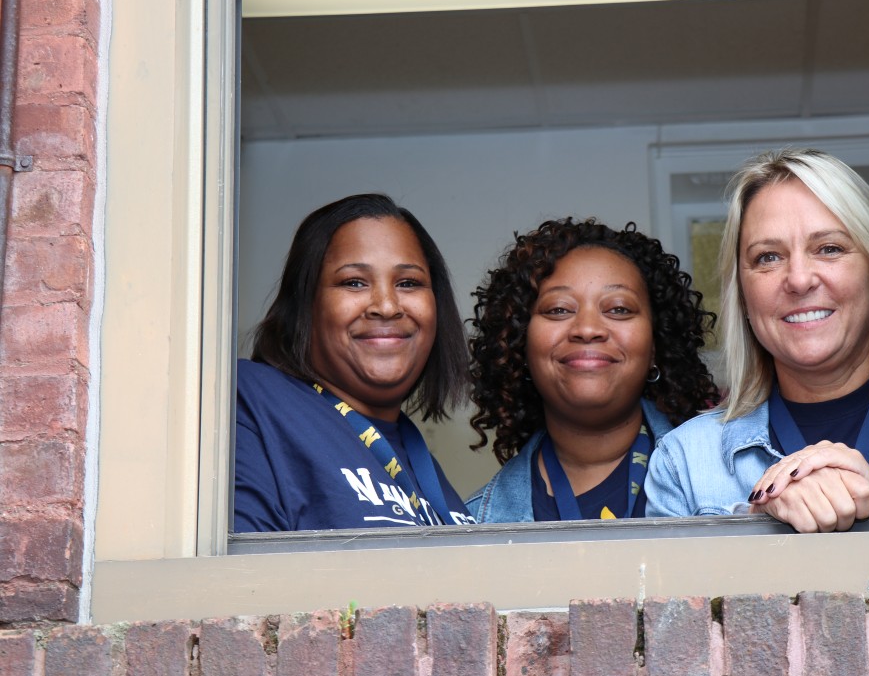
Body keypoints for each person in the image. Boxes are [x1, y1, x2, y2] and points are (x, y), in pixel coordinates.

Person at [646, 148, 869, 532]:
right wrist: (757, 528)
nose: (798, 279)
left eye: (829, 249)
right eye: (768, 257)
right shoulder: (684, 461)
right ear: (743, 296)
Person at [235, 193, 476, 532]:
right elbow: (236, 579)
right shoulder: (252, 399)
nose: (387, 306)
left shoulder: (424, 469)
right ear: (305, 306)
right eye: (354, 282)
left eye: (408, 283)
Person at [467, 219, 718, 522]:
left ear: (655, 346)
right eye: (558, 309)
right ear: (520, 344)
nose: (587, 329)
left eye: (619, 309)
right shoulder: (477, 525)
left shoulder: (731, 482)